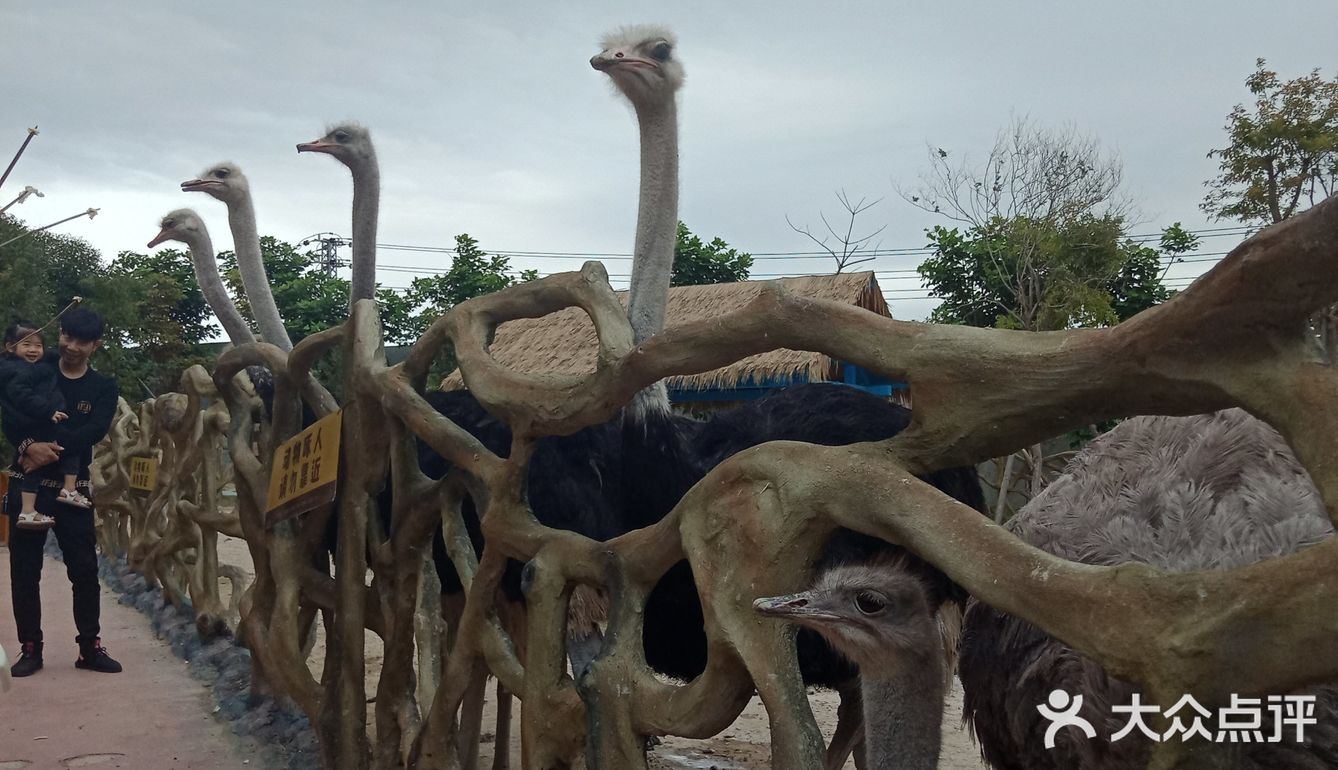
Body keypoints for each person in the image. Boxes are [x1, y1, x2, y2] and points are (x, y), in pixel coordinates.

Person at [5, 307, 121, 676]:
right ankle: (30, 647)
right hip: (27, 485)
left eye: (81, 341)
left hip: (74, 489)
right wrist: (26, 446)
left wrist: (49, 447)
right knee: (25, 571)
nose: (71, 346)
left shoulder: (102, 387)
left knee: (85, 570)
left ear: (95, 345)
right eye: (66, 336)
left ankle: (89, 646)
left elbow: (95, 431)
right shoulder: (36, 369)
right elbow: (7, 410)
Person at [0, 319, 91, 530]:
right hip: (39, 421)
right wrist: (48, 411)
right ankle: (68, 489)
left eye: (38, 345)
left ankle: (28, 510)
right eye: (26, 344)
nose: (33, 350)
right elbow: (22, 397)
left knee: (35, 467)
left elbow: (51, 357)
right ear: (10, 347)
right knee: (66, 448)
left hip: (40, 422)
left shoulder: (36, 365)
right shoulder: (17, 371)